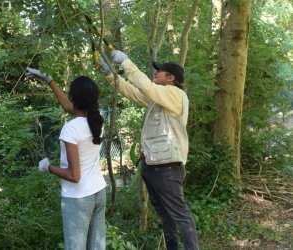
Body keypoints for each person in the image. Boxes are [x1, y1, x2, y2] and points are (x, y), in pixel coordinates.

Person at [98, 52, 199, 250]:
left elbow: (145, 86)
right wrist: (110, 75)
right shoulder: (159, 98)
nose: (155, 71)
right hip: (154, 167)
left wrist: (126, 62)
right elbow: (133, 92)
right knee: (166, 215)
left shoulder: (175, 94)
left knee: (179, 215)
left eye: (159, 70)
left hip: (167, 169)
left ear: (171, 78)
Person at [25, 68, 106, 250]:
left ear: (74, 98)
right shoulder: (97, 123)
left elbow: (74, 175)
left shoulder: (71, 129)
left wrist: (48, 167)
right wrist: (49, 79)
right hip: (99, 191)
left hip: (78, 198)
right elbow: (69, 108)